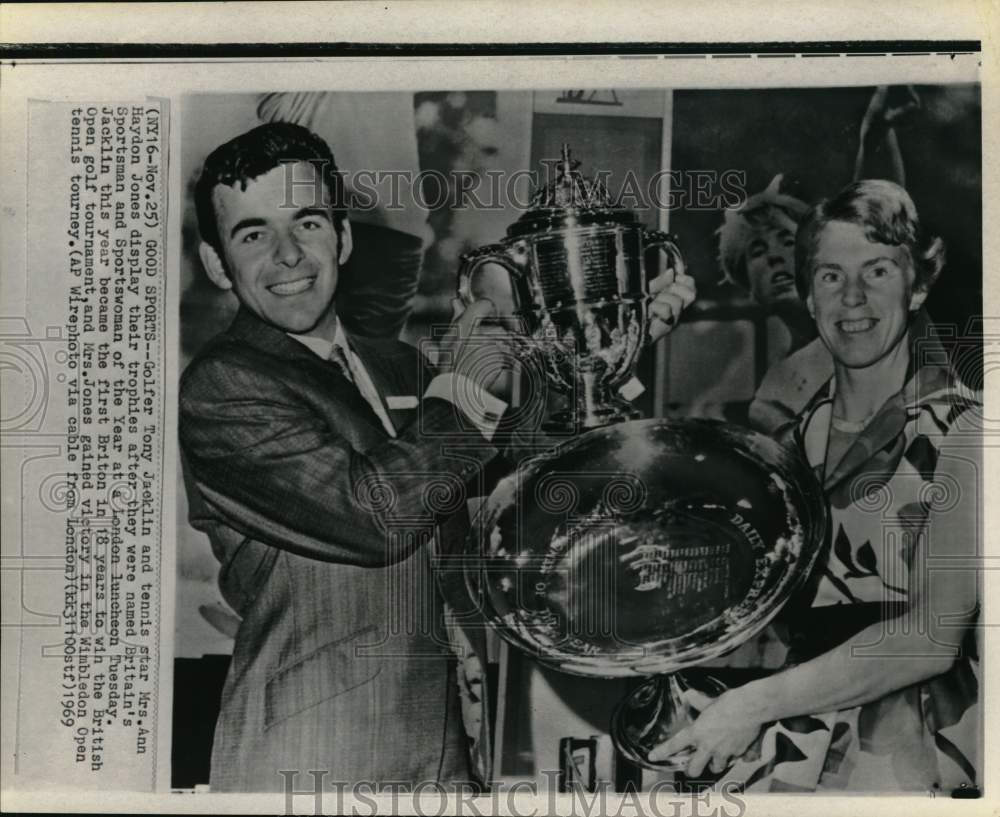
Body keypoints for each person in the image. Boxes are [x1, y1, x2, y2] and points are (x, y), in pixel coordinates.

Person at [179, 121, 695, 791]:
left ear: (343, 234)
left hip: (445, 756)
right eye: (253, 234)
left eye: (307, 223)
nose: (288, 257)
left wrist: (606, 354)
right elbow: (374, 515)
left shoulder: (393, 365)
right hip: (310, 760)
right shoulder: (223, 384)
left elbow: (525, 481)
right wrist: (460, 380)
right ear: (218, 263)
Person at [651, 180, 980, 793]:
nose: (852, 296)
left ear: (920, 286)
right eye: (830, 275)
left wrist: (750, 705)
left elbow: (931, 638)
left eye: (877, 270)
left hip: (918, 746)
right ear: (807, 293)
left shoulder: (968, 432)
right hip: (796, 734)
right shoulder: (788, 446)